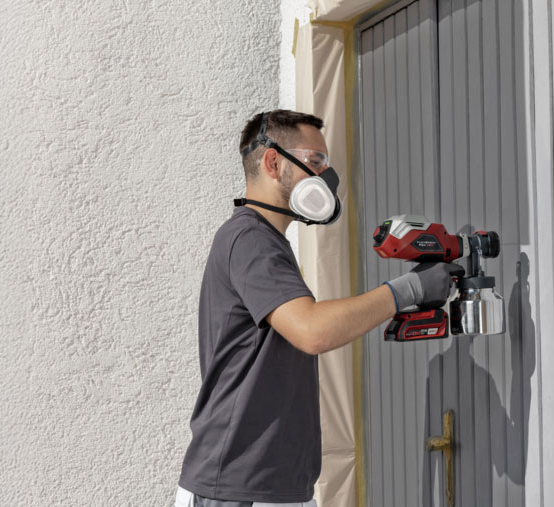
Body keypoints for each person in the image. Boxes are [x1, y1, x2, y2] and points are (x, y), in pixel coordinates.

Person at [175, 110, 461, 507]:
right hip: (238, 487)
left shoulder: (267, 243)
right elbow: (312, 330)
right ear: (273, 162)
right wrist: (407, 288)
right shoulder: (249, 238)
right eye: (315, 162)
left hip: (270, 486)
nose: (326, 178)